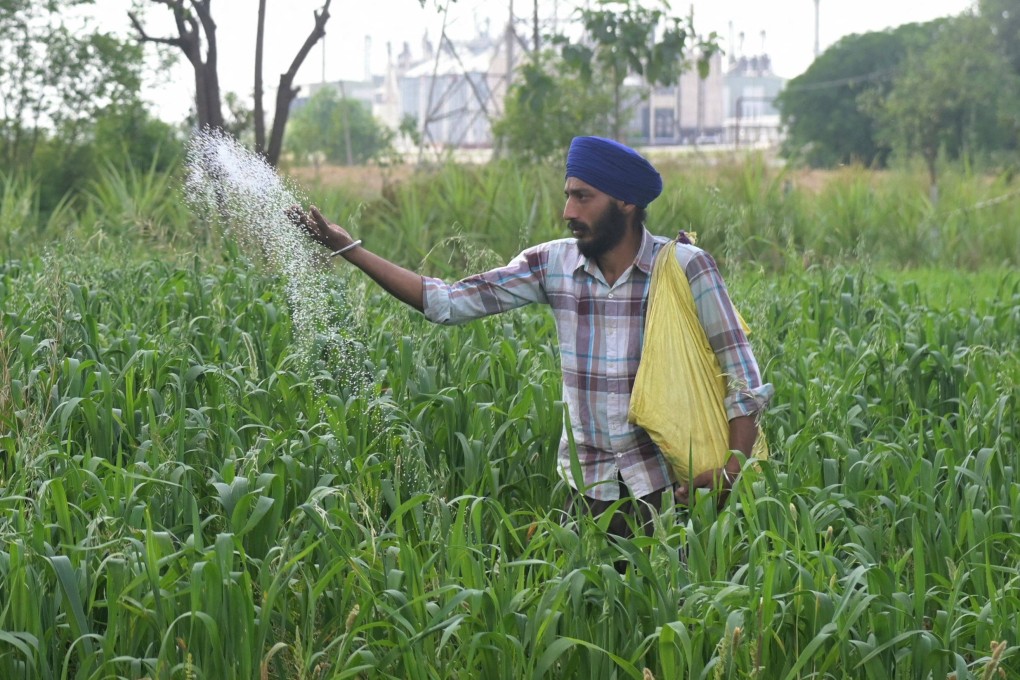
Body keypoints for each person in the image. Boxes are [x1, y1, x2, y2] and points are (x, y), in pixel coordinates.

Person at [291, 136, 773, 541]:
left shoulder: (685, 268)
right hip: (584, 493)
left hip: (667, 491)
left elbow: (743, 376)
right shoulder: (552, 265)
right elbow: (450, 302)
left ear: (626, 202)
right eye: (568, 195)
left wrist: (731, 469)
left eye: (583, 197)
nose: (568, 210)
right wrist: (349, 248)